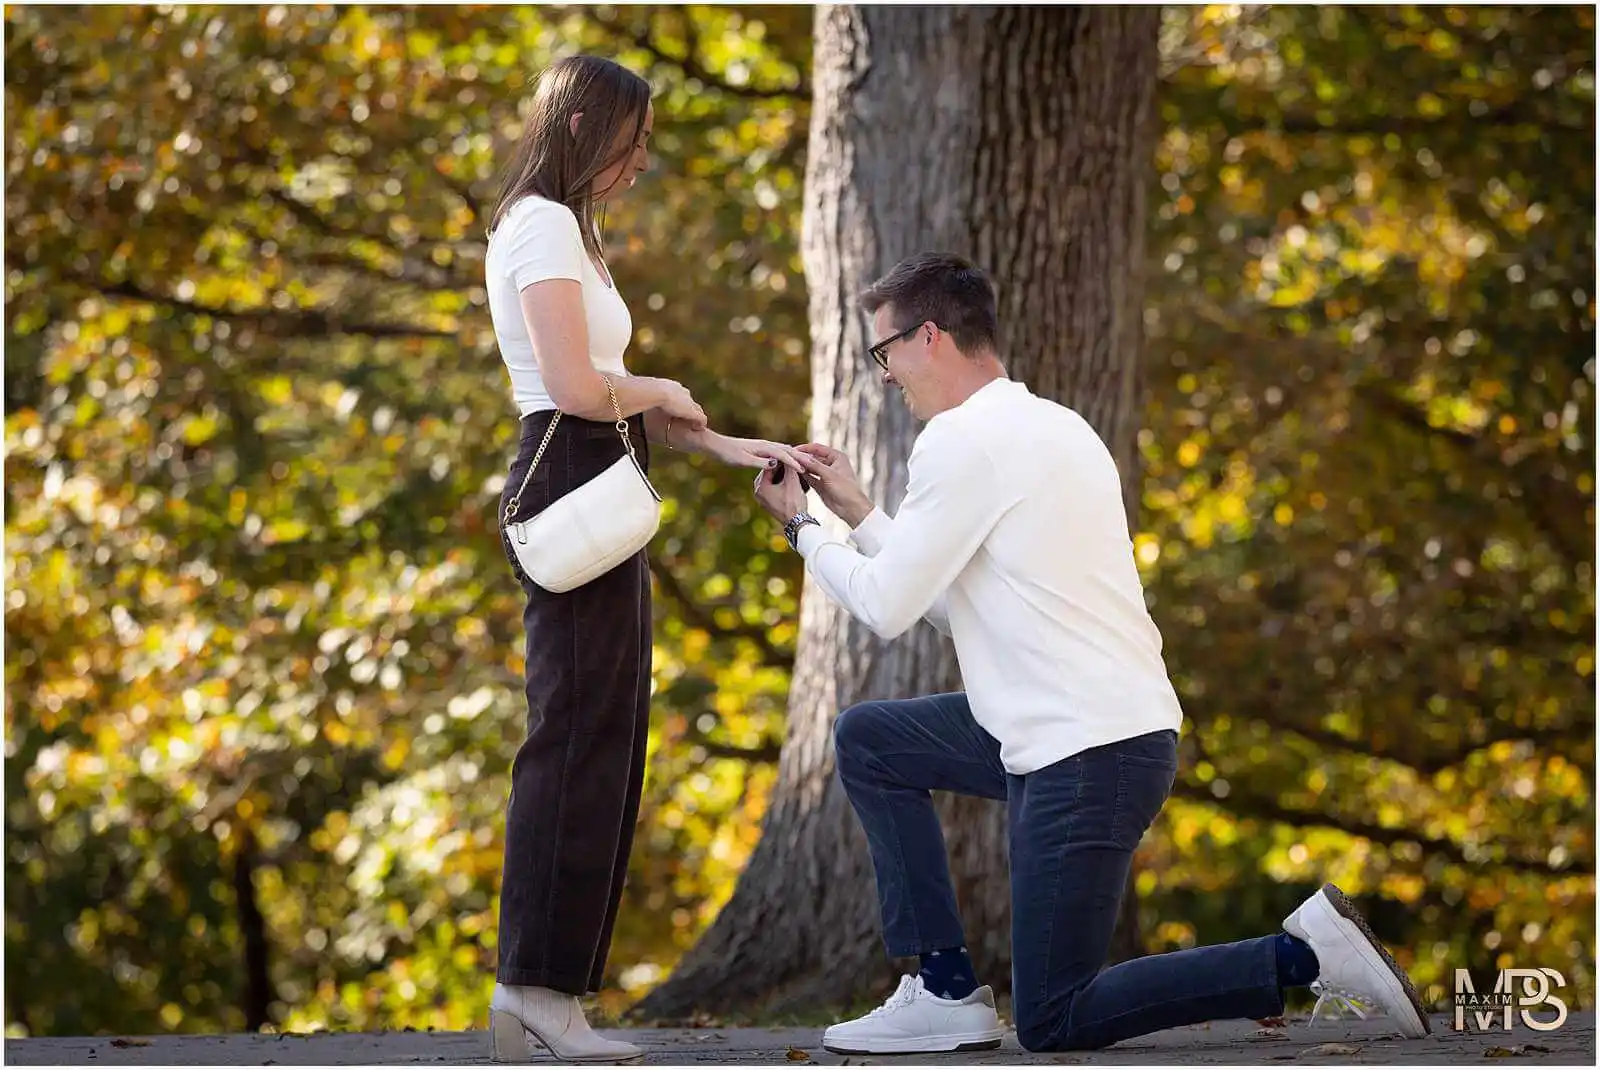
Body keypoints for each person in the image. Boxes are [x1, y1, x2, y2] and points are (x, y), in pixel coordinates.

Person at [753, 251, 1433, 1054]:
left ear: (928, 336)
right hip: (1065, 729)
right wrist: (861, 511)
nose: (886, 374)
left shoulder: (960, 443)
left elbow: (884, 608)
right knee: (874, 740)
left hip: (1087, 753)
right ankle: (942, 988)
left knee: (1056, 1017)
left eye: (885, 353)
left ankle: (1305, 954)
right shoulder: (1051, 425)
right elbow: (942, 606)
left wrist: (801, 530)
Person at [483, 55, 802, 1064]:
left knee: (607, 733)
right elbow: (579, 386)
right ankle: (537, 988)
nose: (640, 161)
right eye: (632, 139)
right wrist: (660, 383)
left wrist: (722, 444)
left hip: (603, 473)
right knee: (575, 734)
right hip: (571, 472)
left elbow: (611, 391)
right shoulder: (536, 225)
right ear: (581, 126)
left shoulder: (571, 233)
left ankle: (548, 989)